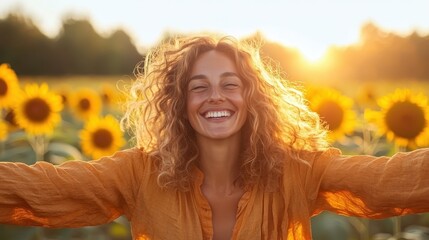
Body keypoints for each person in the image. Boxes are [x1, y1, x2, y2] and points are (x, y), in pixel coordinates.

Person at [1, 34, 429, 240]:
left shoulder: (298, 171)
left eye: (230, 84)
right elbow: (41, 191)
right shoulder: (138, 174)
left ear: (252, 96)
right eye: (198, 87)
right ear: (178, 103)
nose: (215, 98)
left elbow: (391, 179)